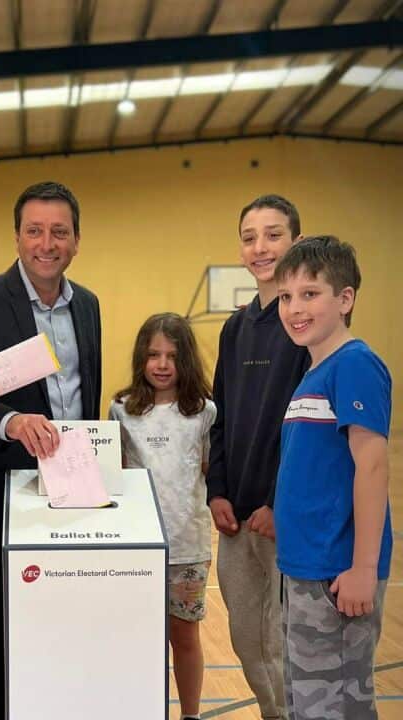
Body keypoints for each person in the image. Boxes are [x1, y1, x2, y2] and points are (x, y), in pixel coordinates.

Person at [0, 180, 101, 719]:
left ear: (76, 240)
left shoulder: (89, 306)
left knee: (66, 616)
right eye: (35, 231)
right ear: (17, 237)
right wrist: (9, 422)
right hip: (1, 491)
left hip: (72, 489)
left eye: (59, 232)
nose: (46, 243)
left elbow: (84, 395)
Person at [274, 236, 391, 720]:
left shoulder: (355, 364)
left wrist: (363, 568)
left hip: (337, 574)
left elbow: (373, 466)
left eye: (310, 293)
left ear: (345, 299)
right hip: (304, 569)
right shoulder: (313, 372)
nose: (294, 308)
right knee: (307, 703)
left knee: (337, 706)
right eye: (286, 296)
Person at [207, 194, 309, 720]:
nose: (260, 246)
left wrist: (276, 503)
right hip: (234, 519)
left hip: (282, 520)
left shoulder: (306, 326)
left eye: (273, 234)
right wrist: (217, 491)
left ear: (295, 241)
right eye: (249, 237)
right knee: (248, 644)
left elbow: (310, 431)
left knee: (283, 645)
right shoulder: (235, 327)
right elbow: (219, 415)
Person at [109, 313, 215, 720]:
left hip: (188, 548)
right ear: (141, 358)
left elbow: (209, 469)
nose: (162, 364)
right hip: (138, 548)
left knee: (185, 638)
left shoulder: (204, 412)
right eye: (153, 354)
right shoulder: (121, 410)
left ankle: (190, 713)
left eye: (172, 355)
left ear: (185, 360)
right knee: (140, 639)